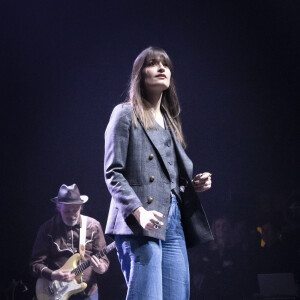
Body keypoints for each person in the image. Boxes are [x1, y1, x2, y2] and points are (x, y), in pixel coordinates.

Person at [104, 46, 213, 300]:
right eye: (153, 64)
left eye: (165, 65)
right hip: (139, 221)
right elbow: (113, 172)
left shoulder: (170, 120)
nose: (161, 68)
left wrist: (190, 185)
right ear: (139, 75)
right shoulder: (125, 113)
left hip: (172, 222)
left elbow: (168, 176)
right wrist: (138, 212)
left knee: (178, 295)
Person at [29, 184, 109, 300]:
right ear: (58, 208)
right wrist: (52, 275)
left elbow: (104, 259)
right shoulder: (47, 229)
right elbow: (34, 264)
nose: (72, 215)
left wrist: (101, 268)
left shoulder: (93, 226)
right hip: (56, 293)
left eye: (75, 210)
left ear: (81, 207)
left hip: (87, 293)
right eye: (67, 211)